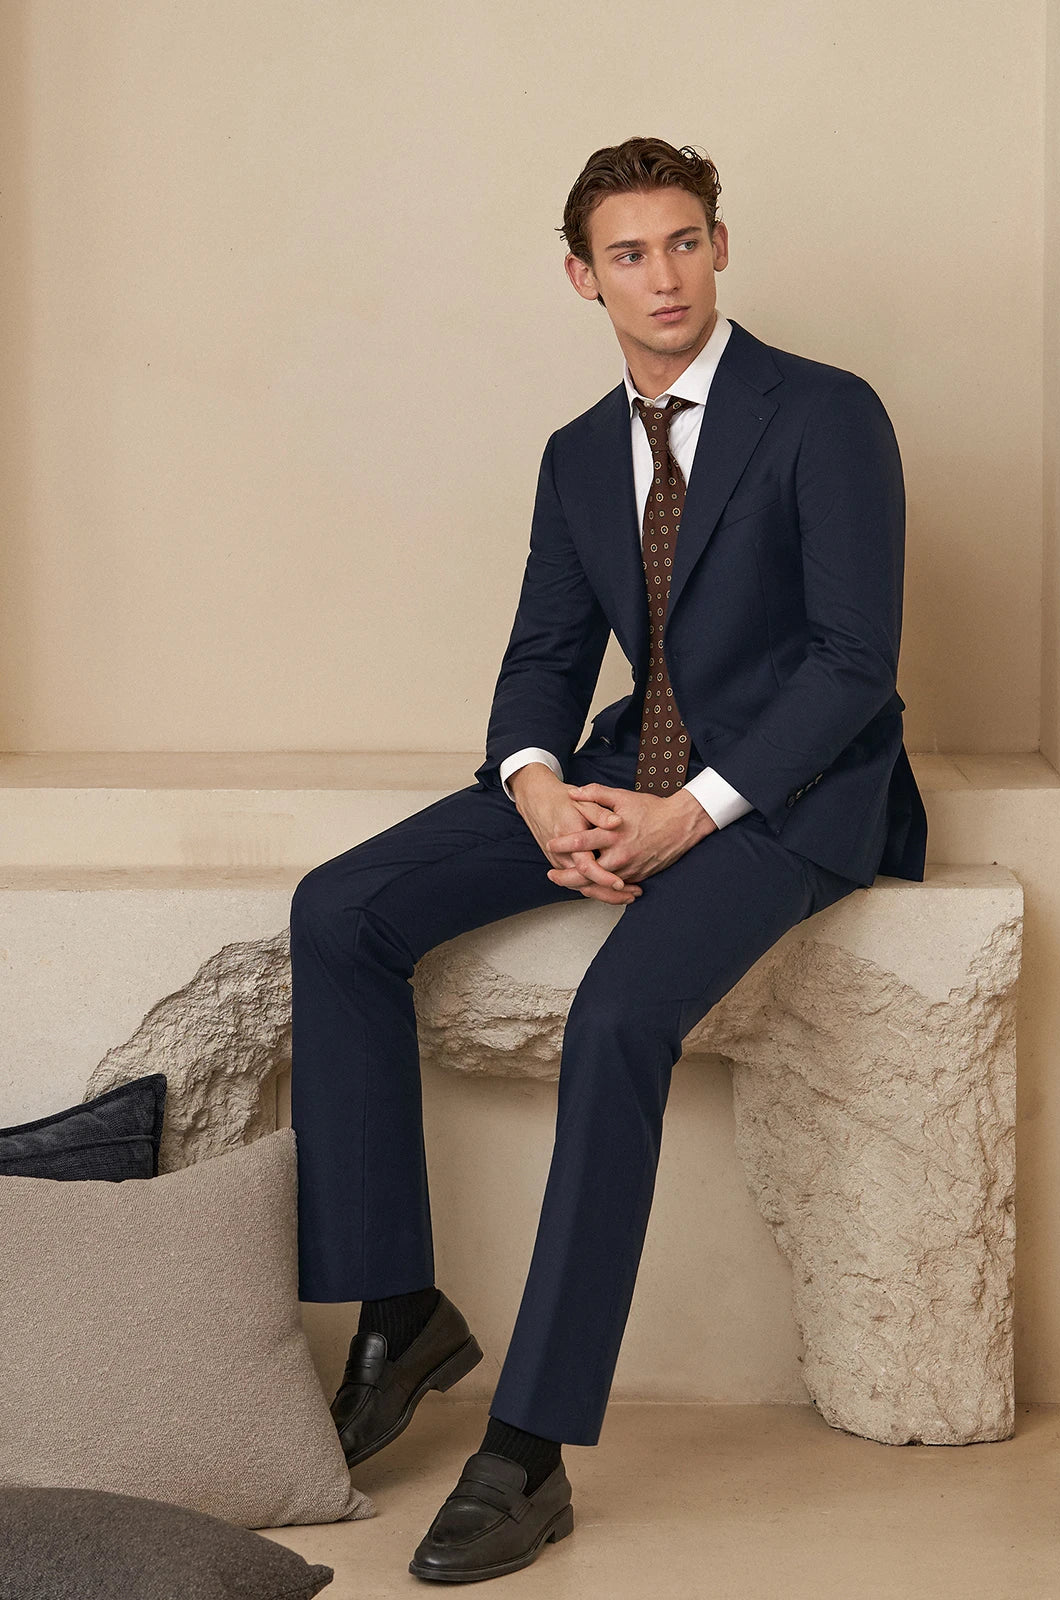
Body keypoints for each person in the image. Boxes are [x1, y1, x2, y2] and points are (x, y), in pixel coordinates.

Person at [288, 134, 927, 1584]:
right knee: (339, 910)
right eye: (630, 254)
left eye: (686, 241)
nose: (665, 276)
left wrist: (686, 814)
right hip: (625, 760)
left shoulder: (826, 413)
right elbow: (542, 658)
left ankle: (528, 1447)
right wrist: (536, 792)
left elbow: (852, 666)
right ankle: (399, 1309)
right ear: (583, 278)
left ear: (721, 247)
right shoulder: (580, 454)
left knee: (620, 1013)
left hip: (799, 793)